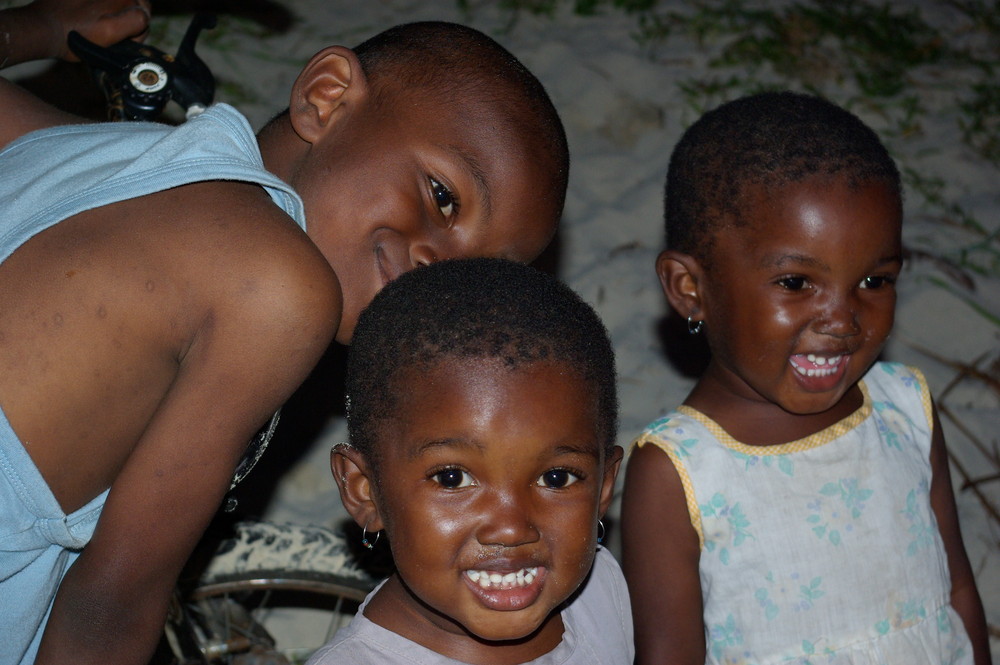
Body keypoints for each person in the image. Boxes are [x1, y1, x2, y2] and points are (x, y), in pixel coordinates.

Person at [0, 2, 569, 663]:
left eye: (477, 275)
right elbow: (109, 603)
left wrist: (37, 28)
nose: (436, 267)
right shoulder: (281, 293)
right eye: (442, 196)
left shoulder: (88, 151)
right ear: (326, 98)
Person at [621, 91, 990, 665]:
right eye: (796, 283)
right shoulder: (679, 472)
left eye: (874, 281)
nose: (842, 319)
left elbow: (957, 590)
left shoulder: (905, 409)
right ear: (690, 289)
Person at [316, 257, 631, 665]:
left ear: (604, 486)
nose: (512, 528)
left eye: (556, 477)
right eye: (451, 478)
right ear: (365, 490)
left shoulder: (599, 592)